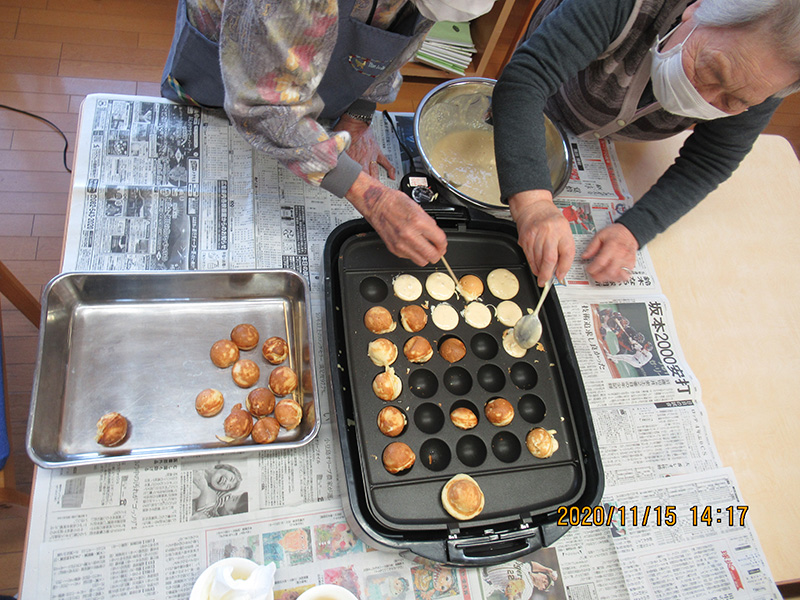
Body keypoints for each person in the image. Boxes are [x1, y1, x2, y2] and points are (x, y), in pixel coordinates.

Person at [161, 0, 496, 267]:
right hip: (227, 78)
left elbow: (395, 40)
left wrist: (357, 118)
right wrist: (373, 198)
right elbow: (265, 107)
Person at [492, 0, 800, 286]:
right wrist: (534, 205)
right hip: (544, 103)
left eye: (733, 101)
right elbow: (527, 80)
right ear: (697, 9)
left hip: (611, 148)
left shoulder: (762, 78)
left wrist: (634, 230)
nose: (703, 99)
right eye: (710, 70)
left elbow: (710, 160)